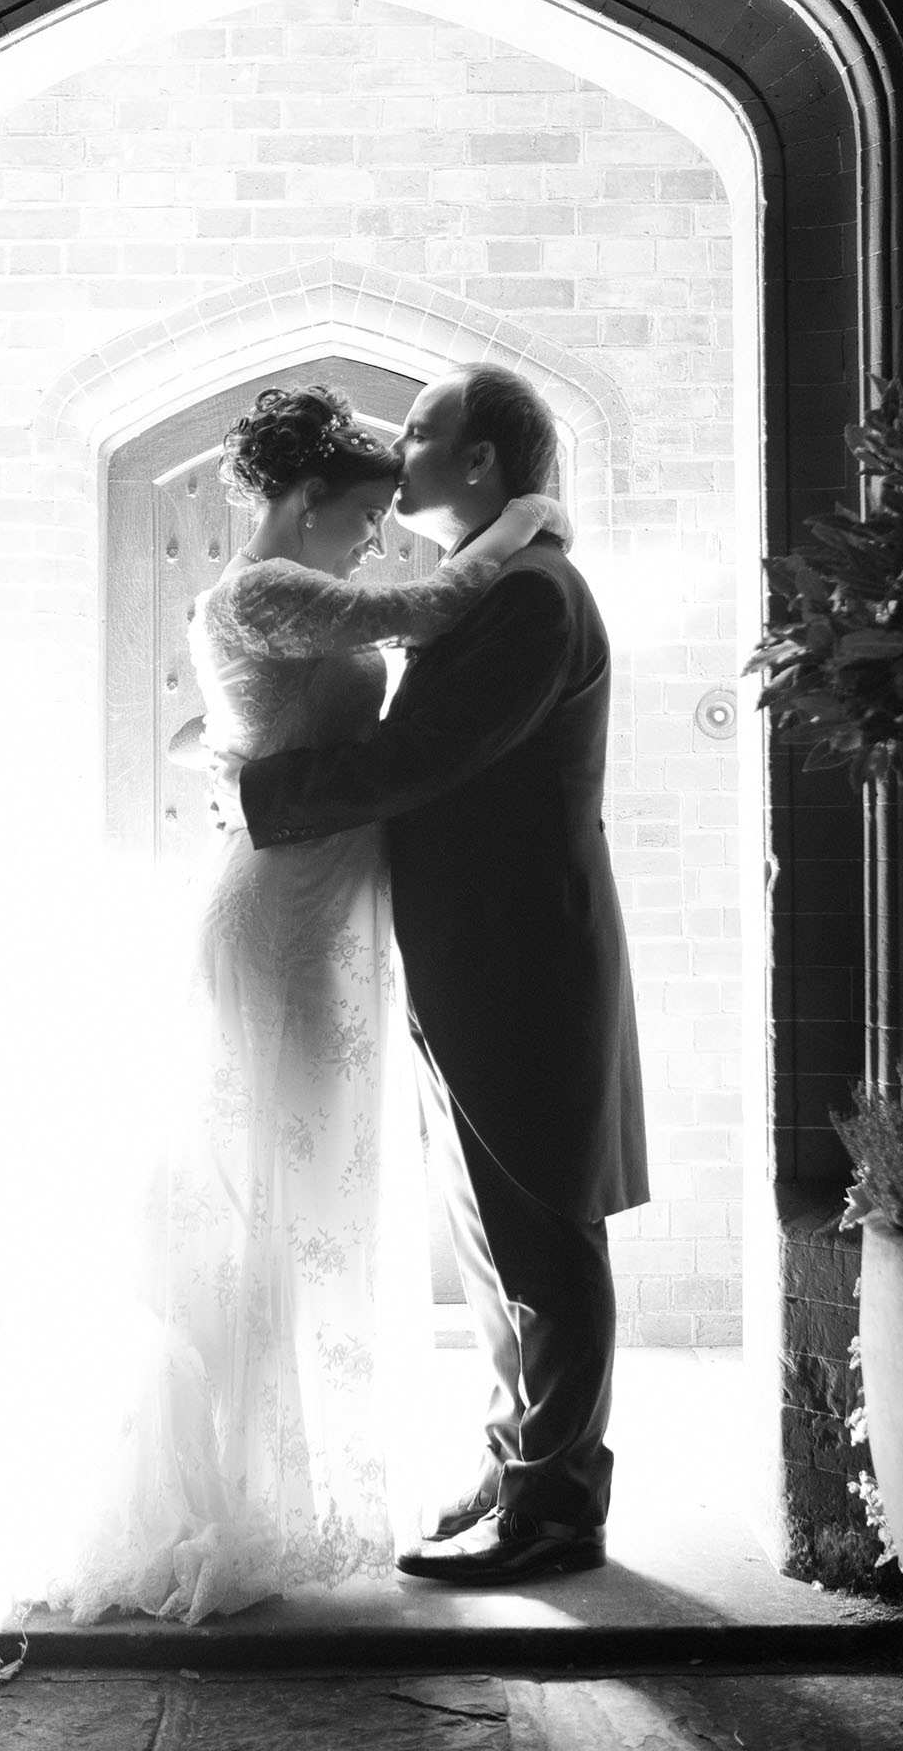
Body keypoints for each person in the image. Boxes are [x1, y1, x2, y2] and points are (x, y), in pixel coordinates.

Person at [58, 383, 568, 1626]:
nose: (370, 538)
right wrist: (528, 517)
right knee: (265, 1204)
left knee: (309, 1206)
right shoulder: (262, 591)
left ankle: (280, 1481)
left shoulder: (273, 600)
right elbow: (427, 606)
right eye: (359, 517)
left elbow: (233, 729)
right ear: (301, 500)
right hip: (281, 922)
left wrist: (238, 756)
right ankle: (239, 1494)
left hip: (326, 914)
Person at [233, 363, 649, 1585]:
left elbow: (424, 756)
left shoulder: (530, 596)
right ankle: (517, 1460)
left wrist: (257, 793)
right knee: (488, 1233)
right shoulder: (491, 583)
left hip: (521, 952)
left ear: (479, 460)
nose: (393, 444)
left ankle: (556, 1511)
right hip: (469, 945)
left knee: (543, 1234)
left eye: (418, 429)